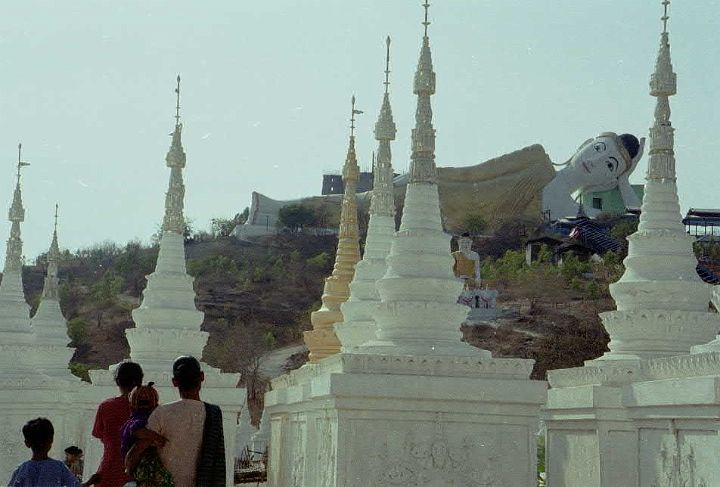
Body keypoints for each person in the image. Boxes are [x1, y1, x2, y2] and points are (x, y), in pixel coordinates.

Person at [143, 356, 226, 487]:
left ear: (174, 382)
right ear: (202, 376)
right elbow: (218, 463)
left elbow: (141, 450)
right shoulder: (213, 413)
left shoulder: (161, 413)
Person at [542, 132, 645, 219]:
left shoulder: (578, 213)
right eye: (598, 148)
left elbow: (635, 224)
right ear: (584, 145)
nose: (595, 161)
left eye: (610, 165)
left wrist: (623, 180)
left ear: (609, 181)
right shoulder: (537, 162)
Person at [92, 360, 143, 487]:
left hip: (109, 473)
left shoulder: (106, 407)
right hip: (140, 474)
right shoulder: (152, 409)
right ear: (140, 381)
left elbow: (100, 435)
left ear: (117, 382)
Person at [8, 418, 101, 487]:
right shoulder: (58, 467)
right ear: (51, 441)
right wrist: (91, 481)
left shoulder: (22, 469)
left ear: (27, 443)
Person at [120, 382, 174, 487]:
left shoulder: (139, 418)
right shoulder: (142, 419)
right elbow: (139, 431)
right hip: (144, 467)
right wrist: (158, 438)